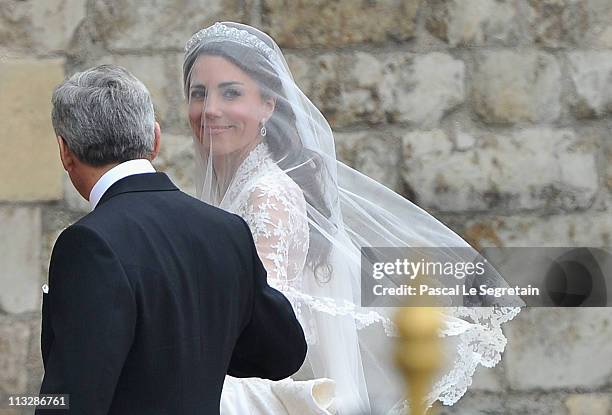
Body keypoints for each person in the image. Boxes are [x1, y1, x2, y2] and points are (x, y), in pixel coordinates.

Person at [183, 22, 523, 414]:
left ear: (268, 104)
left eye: (231, 92)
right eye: (198, 94)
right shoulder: (242, 188)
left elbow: (262, 325)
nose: (210, 109)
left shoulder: (267, 195)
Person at [37, 64, 307, 415]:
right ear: (155, 139)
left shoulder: (88, 243)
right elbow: (282, 354)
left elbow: (71, 402)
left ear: (64, 151)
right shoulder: (227, 230)